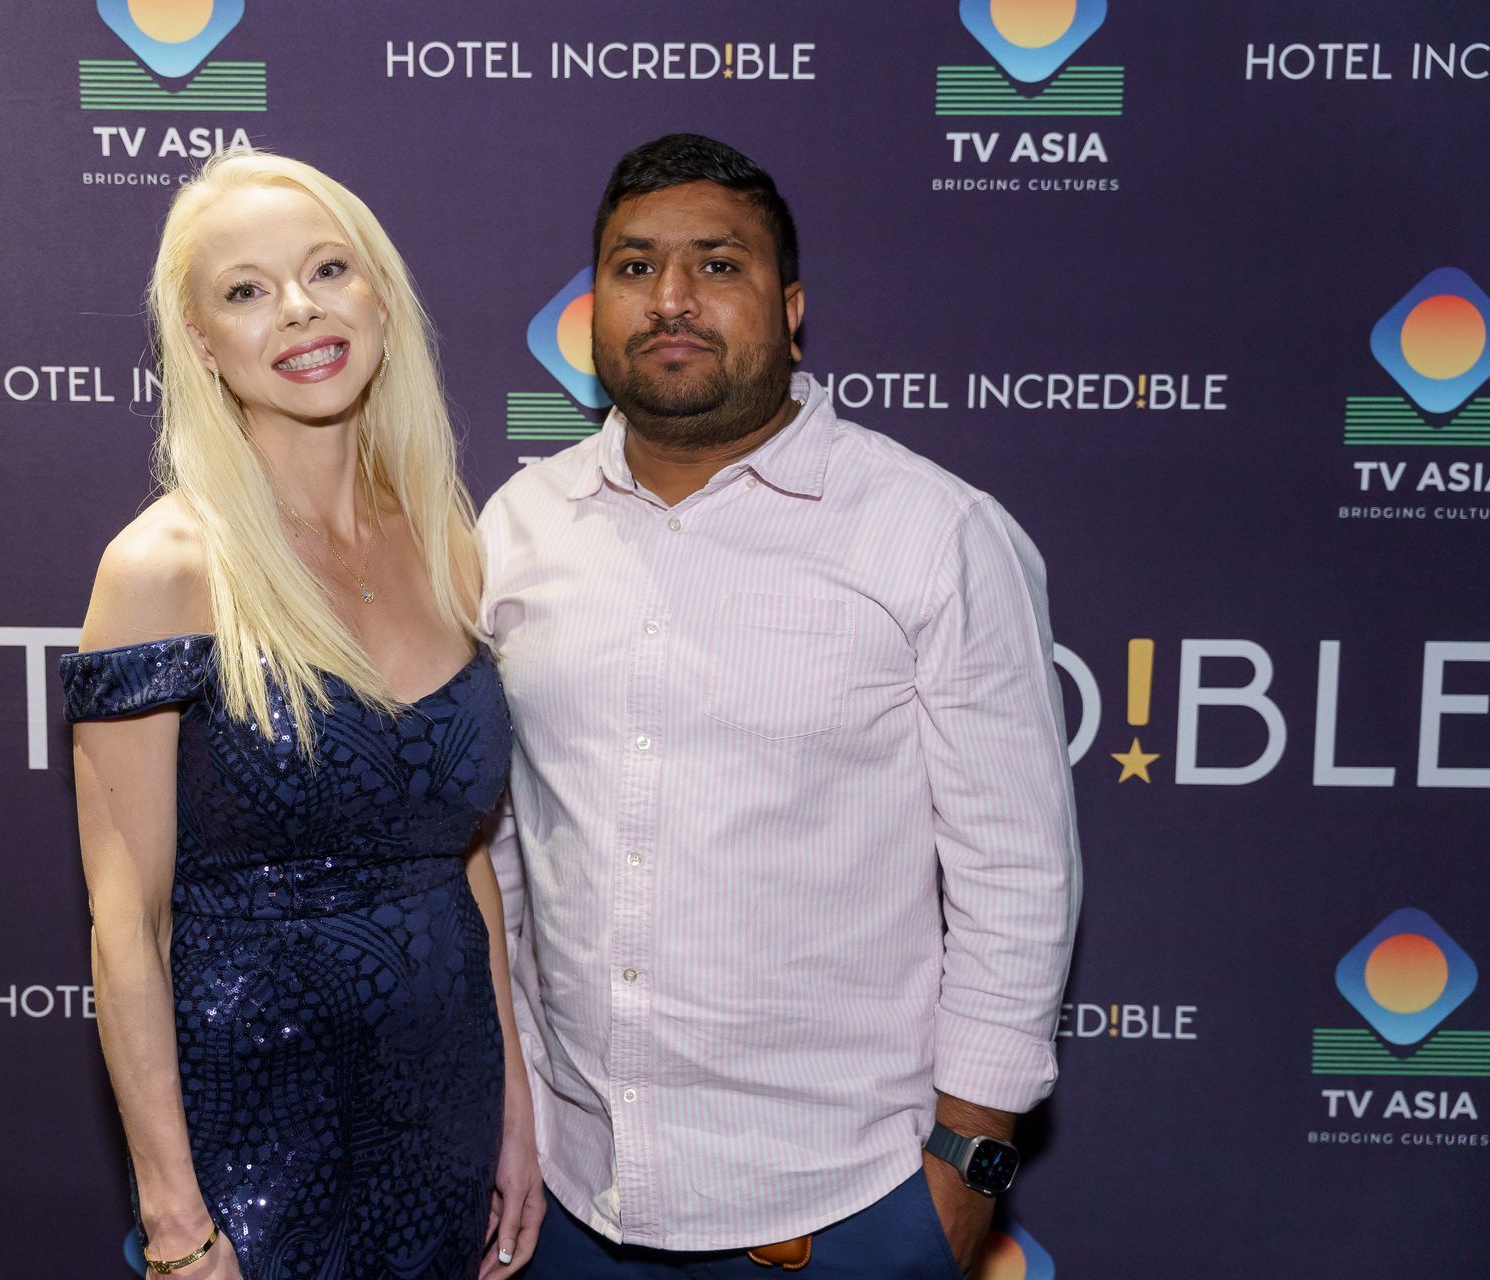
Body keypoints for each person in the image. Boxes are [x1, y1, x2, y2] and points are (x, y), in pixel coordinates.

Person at [480, 134, 1081, 1278]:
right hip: (564, 1197)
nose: (671, 298)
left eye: (718, 265)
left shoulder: (933, 532)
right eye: (634, 266)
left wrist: (966, 1170)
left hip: (844, 1203)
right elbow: (501, 849)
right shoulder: (516, 529)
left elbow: (1017, 872)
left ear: (791, 311)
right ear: (594, 307)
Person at [61, 152, 542, 1280]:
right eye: (247, 289)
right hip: (255, 1138)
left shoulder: (445, 540)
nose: (298, 309)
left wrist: (516, 1108)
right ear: (199, 340)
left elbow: (462, 859)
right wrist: (177, 1226)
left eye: (328, 270)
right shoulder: (163, 568)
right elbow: (127, 921)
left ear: (379, 296)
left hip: (446, 1117)